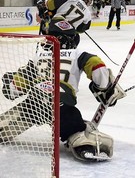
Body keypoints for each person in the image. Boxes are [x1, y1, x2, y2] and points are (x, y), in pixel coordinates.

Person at [1, 31, 126, 161]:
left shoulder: (39, 55)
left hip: (35, 101)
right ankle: (83, 144)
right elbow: (96, 65)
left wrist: (10, 84)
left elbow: (17, 85)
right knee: (75, 128)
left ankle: (6, 126)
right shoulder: (79, 55)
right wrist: (105, 87)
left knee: (22, 115)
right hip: (60, 103)